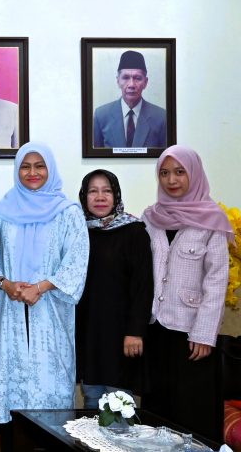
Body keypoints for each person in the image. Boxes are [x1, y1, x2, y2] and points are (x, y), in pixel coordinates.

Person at [0, 142, 89, 449]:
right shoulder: (1, 211)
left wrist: (41, 287)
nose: (32, 173)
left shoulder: (68, 213)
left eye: (40, 166)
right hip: (10, 305)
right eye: (25, 166)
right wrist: (5, 283)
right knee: (13, 382)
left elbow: (76, 260)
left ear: (50, 169)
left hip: (51, 307)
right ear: (17, 170)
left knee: (52, 380)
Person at [141, 145, 231, 445]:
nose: (172, 180)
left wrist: (205, 334)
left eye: (180, 172)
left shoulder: (212, 219)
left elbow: (217, 280)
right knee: (157, 413)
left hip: (192, 335)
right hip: (155, 329)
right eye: (164, 173)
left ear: (194, 174)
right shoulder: (151, 218)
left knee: (191, 412)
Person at [74, 169, 152, 410]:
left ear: (116, 195)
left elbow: (143, 285)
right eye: (93, 191)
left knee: (119, 403)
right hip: (87, 332)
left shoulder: (134, 231)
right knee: (91, 400)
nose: (100, 197)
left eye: (107, 191)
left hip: (121, 333)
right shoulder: (78, 231)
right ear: (84, 196)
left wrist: (135, 331)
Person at [92, 50, 167, 148]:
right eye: (126, 77)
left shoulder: (161, 117)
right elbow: (96, 158)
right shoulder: (101, 116)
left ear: (145, 82)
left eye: (137, 78)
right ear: (118, 80)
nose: (131, 84)